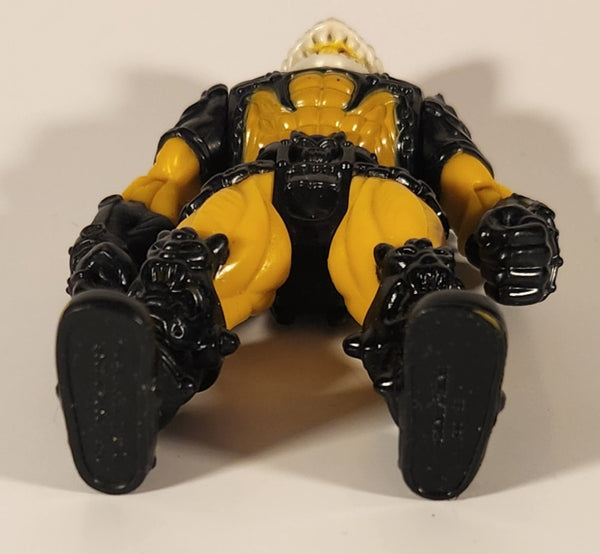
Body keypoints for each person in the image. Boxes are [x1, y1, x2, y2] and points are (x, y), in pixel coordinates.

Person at [56, 19, 562, 498]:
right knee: (202, 254)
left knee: (401, 258)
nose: (331, 32)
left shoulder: (412, 108)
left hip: (373, 186)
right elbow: (167, 177)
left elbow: (470, 186)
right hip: (258, 186)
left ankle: (431, 371)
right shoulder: (236, 103)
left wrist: (506, 228)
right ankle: (144, 369)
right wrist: (118, 235)